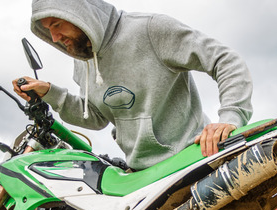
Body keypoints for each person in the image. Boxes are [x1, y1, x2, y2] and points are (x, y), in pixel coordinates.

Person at [13, 0, 253, 171]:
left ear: (79, 12)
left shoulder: (150, 29)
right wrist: (49, 93)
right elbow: (96, 117)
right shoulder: (83, 61)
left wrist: (231, 116)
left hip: (190, 158)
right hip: (140, 174)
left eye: (56, 24)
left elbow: (225, 60)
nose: (54, 38)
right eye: (47, 30)